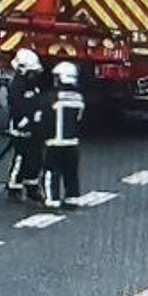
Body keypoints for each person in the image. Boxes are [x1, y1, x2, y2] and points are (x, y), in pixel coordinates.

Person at [38, 61, 85, 210]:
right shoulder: (79, 98)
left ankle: (52, 199)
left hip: (54, 142)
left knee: (51, 171)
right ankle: (72, 198)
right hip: (72, 143)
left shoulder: (51, 97)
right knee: (71, 173)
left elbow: (42, 118)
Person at [6, 49, 45, 200]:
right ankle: (14, 187)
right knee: (21, 157)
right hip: (21, 129)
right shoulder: (17, 87)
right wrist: (23, 123)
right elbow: (17, 108)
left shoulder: (32, 85)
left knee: (36, 158)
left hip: (33, 128)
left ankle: (32, 185)